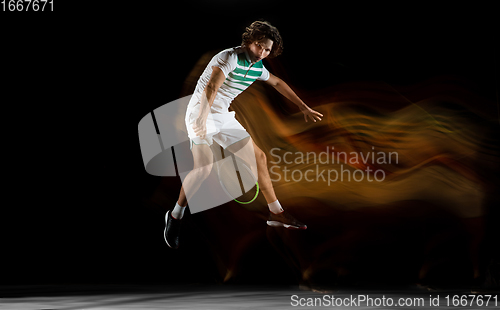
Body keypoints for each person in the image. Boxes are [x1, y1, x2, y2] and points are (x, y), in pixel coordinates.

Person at [164, 20, 323, 249]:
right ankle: (176, 215)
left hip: (223, 116)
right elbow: (212, 87)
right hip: (200, 111)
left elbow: (277, 82)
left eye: (267, 49)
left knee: (259, 158)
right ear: (250, 41)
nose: (263, 53)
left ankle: (276, 213)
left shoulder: (258, 67)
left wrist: (303, 107)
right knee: (203, 168)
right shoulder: (228, 57)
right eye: (260, 46)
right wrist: (201, 117)